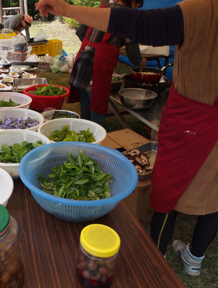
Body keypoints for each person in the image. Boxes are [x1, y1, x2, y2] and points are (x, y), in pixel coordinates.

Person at [36, 0, 218, 277]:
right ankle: (194, 259)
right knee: (214, 196)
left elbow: (141, 26)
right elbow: (135, 32)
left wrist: (66, 8)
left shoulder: (206, 10)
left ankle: (156, 265)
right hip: (202, 115)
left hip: (195, 120)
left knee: (168, 195)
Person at [68, 0, 146, 127]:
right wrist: (141, 61)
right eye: (137, 6)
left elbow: (80, 32)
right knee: (98, 105)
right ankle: (96, 138)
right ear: (133, 2)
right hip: (98, 65)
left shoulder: (101, 9)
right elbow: (132, 51)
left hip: (82, 60)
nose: (136, 10)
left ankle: (83, 136)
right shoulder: (129, 17)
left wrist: (93, 45)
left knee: (86, 103)